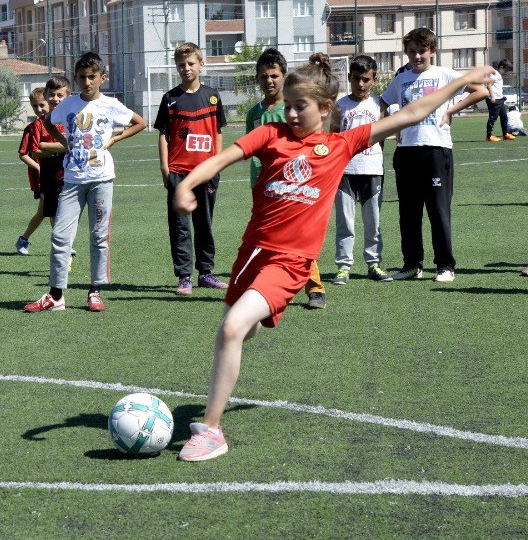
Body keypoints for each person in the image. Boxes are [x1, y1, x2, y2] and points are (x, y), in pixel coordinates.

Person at [172, 54, 494, 461]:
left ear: (326, 108)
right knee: (238, 329)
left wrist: (462, 80)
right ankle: (222, 394)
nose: (289, 112)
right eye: (287, 104)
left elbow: (413, 112)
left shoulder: (341, 144)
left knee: (233, 328)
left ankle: (212, 430)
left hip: (290, 263)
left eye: (299, 105)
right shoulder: (270, 134)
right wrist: (187, 186)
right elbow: (221, 158)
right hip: (251, 254)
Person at [24, 52, 147, 313]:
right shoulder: (68, 104)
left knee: (98, 236)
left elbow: (141, 123)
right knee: (60, 235)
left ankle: (95, 290)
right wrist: (65, 142)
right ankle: (56, 295)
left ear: (103, 78)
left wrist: (114, 139)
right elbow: (48, 121)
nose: (87, 82)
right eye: (82, 77)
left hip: (101, 179)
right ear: (76, 78)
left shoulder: (111, 104)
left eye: (92, 77)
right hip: (72, 179)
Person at [380, 27, 489, 283]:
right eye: (412, 52)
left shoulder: (445, 74)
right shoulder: (400, 79)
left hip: (436, 151)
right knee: (408, 212)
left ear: (432, 51)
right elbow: (383, 103)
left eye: (422, 51)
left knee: (438, 211)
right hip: (406, 152)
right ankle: (412, 265)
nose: (417, 56)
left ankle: (445, 265)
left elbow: (481, 91)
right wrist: (392, 127)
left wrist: (452, 111)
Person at [246, 48, 327, 309]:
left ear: (284, 76)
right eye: (263, 77)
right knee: (264, 238)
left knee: (299, 239)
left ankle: (315, 289)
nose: (269, 81)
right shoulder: (253, 114)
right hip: (261, 187)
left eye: (274, 75)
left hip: (293, 187)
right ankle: (266, 288)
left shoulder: (292, 109)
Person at [154, 42, 228, 294]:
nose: (186, 68)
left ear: (201, 65)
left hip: (206, 172)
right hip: (178, 173)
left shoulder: (213, 95)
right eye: (181, 65)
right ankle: (184, 276)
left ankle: (206, 273)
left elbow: (218, 132)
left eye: (190, 63)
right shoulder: (170, 99)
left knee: (204, 224)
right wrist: (165, 169)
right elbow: (163, 136)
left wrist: (216, 164)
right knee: (180, 226)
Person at [331, 55, 392, 284]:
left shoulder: (379, 106)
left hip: (372, 170)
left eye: (366, 79)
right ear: (349, 77)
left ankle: (373, 264)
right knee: (345, 222)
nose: (360, 84)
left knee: (372, 221)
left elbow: (383, 138)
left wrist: (376, 161)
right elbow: (335, 138)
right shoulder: (340, 105)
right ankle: (343, 266)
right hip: (345, 172)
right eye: (356, 79)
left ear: (374, 80)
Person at [15, 86, 63, 255]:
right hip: (42, 177)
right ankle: (60, 244)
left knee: (47, 210)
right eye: (35, 106)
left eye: (42, 105)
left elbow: (63, 147)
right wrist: (40, 166)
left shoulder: (59, 123)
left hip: (59, 173)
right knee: (49, 209)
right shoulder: (32, 128)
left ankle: (25, 239)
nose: (39, 109)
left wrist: (52, 151)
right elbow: (25, 154)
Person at [485, 59, 515, 142]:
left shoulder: (498, 75)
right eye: (506, 69)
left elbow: (497, 87)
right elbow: (489, 85)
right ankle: (489, 136)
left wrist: (501, 96)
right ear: (501, 67)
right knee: (493, 118)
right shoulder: (495, 74)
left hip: (500, 99)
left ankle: (505, 134)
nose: (506, 71)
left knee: (504, 117)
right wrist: (492, 97)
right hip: (494, 100)